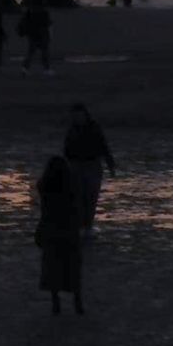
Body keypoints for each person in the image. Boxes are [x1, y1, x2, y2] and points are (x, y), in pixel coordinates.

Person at [35, 155, 85, 315]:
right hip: (69, 230)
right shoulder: (71, 187)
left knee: (52, 267)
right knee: (72, 267)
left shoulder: (44, 187)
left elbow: (44, 212)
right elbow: (77, 209)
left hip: (50, 229)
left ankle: (55, 303)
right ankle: (78, 302)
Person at [63, 104, 116, 234]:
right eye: (74, 116)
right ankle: (81, 225)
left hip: (92, 165)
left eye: (79, 116)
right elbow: (66, 150)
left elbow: (104, 146)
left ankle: (88, 226)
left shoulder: (94, 128)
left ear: (85, 115)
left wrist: (111, 166)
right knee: (78, 197)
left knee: (91, 197)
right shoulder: (72, 130)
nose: (77, 119)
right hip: (76, 166)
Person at [19, 0, 53, 73]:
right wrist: (50, 35)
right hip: (41, 34)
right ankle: (46, 69)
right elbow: (48, 24)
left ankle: (25, 68)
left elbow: (24, 22)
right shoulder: (44, 13)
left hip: (32, 34)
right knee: (44, 52)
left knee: (31, 52)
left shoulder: (30, 11)